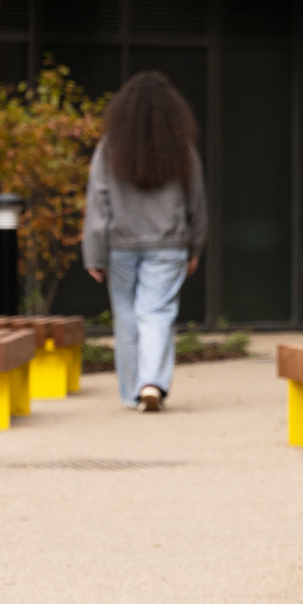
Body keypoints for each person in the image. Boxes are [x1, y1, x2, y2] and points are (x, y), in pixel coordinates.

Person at [81, 71, 207, 413]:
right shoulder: (182, 148)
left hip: (120, 245)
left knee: (127, 316)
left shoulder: (110, 148)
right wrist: (195, 245)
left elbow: (98, 201)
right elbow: (196, 200)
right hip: (169, 245)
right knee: (157, 313)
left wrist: (94, 254)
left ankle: (134, 390)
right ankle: (151, 383)